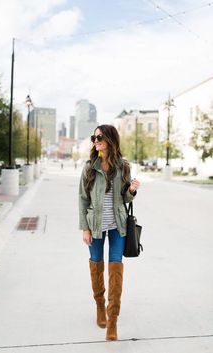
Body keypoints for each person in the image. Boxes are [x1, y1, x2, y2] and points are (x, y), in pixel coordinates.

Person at [79, 124, 140, 341]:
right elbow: (82, 200)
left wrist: (131, 191)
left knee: (115, 270)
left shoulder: (123, 167)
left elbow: (124, 198)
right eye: (94, 137)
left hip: (118, 227)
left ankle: (112, 319)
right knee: (96, 265)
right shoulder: (89, 167)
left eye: (100, 137)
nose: (95, 141)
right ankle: (99, 306)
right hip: (95, 226)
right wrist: (84, 228)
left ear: (110, 140)